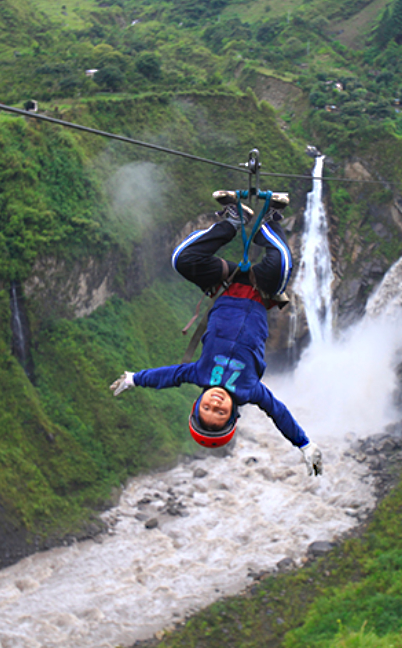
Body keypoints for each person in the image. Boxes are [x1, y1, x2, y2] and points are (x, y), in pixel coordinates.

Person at [110, 191, 323, 476]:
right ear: (233, 414)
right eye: (220, 413)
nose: (214, 404)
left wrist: (135, 379)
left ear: (197, 404)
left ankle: (234, 221)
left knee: (182, 259)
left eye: (206, 409)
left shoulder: (198, 374)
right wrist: (304, 445)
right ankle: (270, 221)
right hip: (261, 292)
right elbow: (279, 414)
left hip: (226, 284)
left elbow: (165, 377)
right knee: (282, 262)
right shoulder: (250, 390)